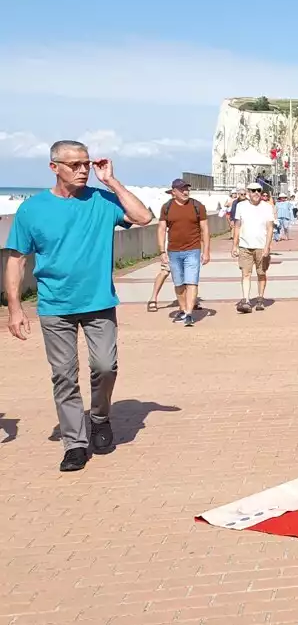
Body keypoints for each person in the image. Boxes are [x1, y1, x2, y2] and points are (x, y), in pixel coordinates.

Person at [2, 141, 153, 471]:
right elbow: (16, 260)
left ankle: (99, 419)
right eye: (75, 165)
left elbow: (144, 217)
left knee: (105, 366)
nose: (83, 170)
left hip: (99, 302)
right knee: (64, 377)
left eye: (87, 163)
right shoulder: (32, 209)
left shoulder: (102, 200)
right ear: (54, 167)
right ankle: (75, 443)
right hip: (55, 305)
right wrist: (15, 307)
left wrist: (111, 181)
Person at [157, 179, 210, 327]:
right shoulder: (166, 207)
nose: (185, 192)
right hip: (173, 251)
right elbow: (161, 229)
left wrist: (206, 251)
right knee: (179, 283)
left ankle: (188, 313)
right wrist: (161, 251)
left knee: (191, 281)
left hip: (193, 250)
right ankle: (183, 309)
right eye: (182, 189)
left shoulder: (197, 206)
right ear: (174, 192)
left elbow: (205, 229)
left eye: (187, 189)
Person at [232, 182, 275, 313]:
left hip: (261, 246)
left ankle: (260, 298)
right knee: (246, 273)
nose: (256, 193)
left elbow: (270, 228)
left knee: (261, 273)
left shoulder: (267, 207)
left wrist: (267, 246)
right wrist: (235, 245)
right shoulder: (241, 206)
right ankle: (245, 299)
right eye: (253, 191)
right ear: (248, 193)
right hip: (245, 245)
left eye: (258, 191)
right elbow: (237, 226)